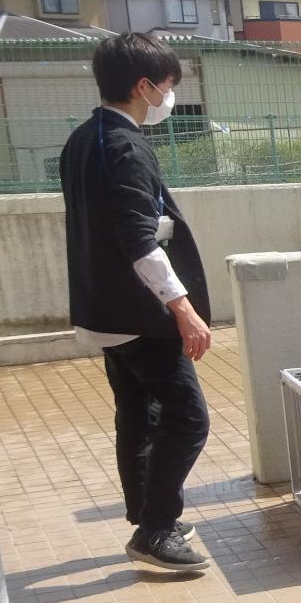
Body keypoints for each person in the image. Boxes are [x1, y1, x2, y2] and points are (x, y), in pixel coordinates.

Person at [61, 33, 212, 574]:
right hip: (140, 314)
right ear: (144, 86)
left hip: (104, 308)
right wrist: (183, 309)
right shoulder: (127, 147)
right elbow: (138, 239)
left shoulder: (84, 139)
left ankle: (147, 518)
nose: (170, 97)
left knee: (138, 414)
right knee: (188, 420)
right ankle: (156, 529)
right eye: (168, 86)